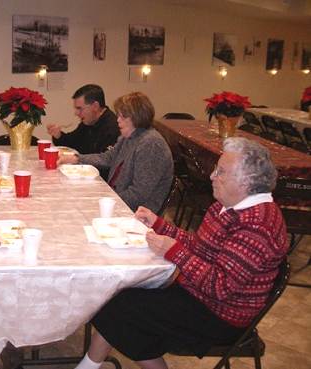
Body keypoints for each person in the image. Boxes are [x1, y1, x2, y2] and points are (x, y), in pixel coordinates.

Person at [74, 137, 288, 369]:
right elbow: (200, 246)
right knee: (114, 295)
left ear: (247, 182)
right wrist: (159, 225)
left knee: (120, 308)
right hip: (199, 294)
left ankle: (89, 365)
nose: (212, 176)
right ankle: (90, 365)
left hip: (221, 316)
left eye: (221, 172)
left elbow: (220, 287)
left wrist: (175, 252)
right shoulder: (228, 205)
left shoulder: (257, 225)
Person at [59, 91, 173, 213]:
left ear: (137, 117)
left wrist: (103, 200)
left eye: (122, 116)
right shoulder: (129, 136)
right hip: (118, 201)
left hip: (137, 214)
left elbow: (139, 194)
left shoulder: (151, 144)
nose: (117, 120)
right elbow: (108, 158)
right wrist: (76, 158)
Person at [46, 84, 119, 155]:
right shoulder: (88, 121)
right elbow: (72, 143)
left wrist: (77, 160)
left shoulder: (112, 128)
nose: (76, 113)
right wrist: (58, 135)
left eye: (79, 108)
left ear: (95, 106)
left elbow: (104, 162)